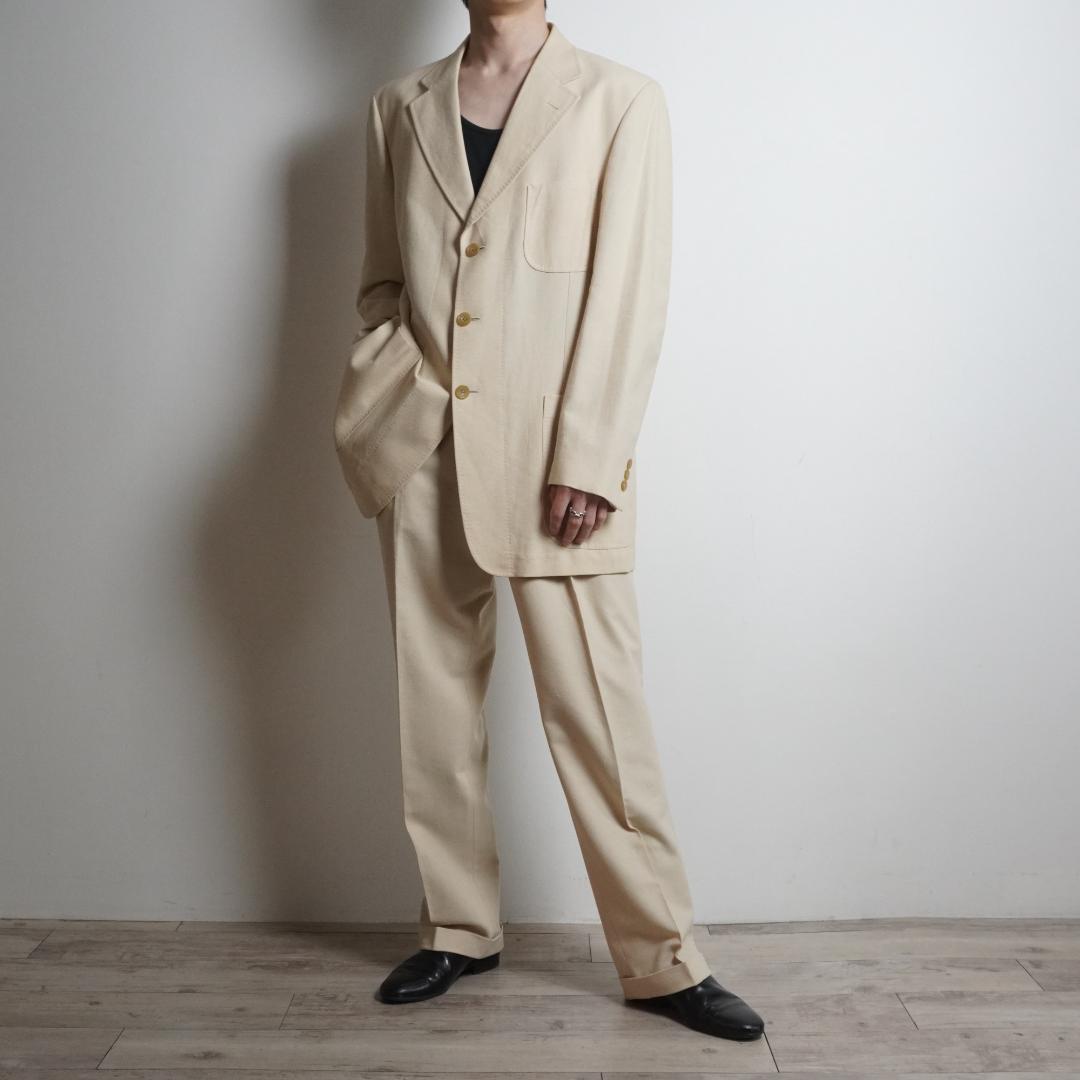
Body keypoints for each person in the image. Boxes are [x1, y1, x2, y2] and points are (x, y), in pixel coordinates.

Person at [332, 0, 765, 1041]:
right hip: (422, 445)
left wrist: (590, 459)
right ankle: (457, 928)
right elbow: (383, 281)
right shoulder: (398, 106)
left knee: (598, 712)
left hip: (556, 464)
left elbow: (630, 292)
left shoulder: (621, 101)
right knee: (433, 704)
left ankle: (662, 957)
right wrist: (395, 386)